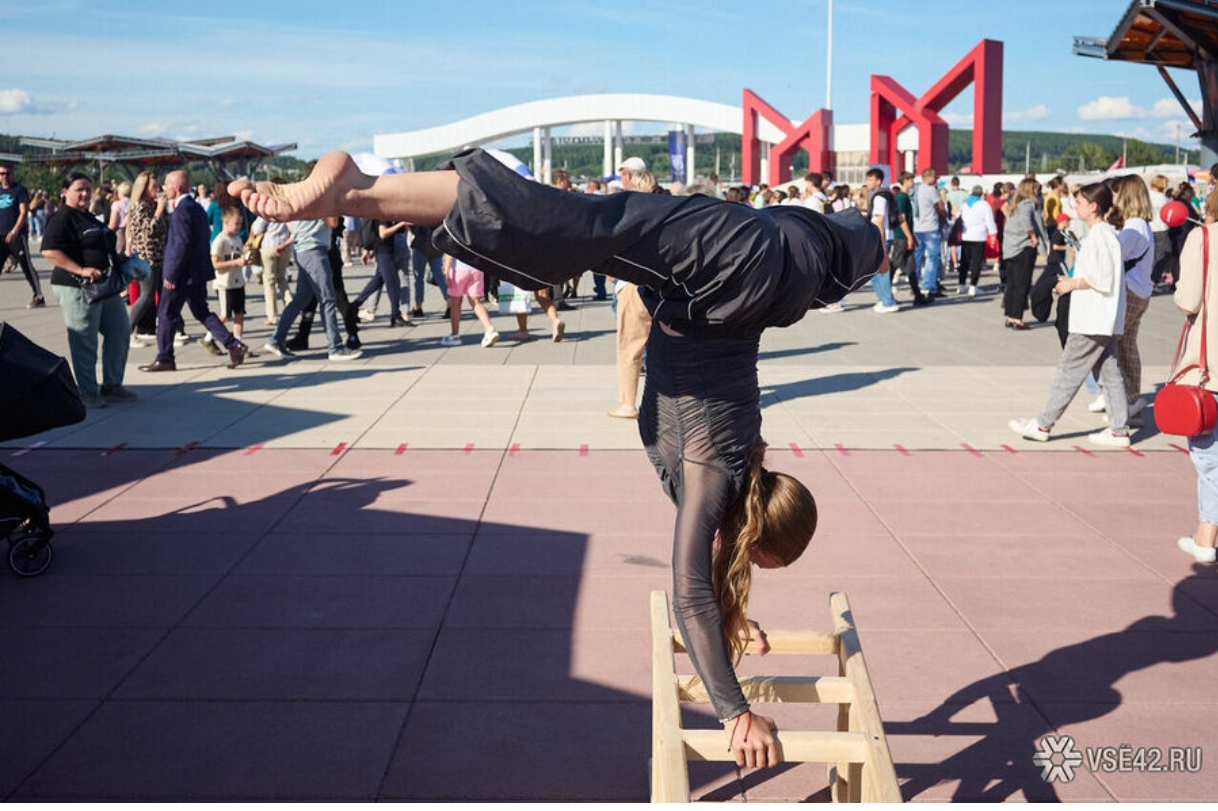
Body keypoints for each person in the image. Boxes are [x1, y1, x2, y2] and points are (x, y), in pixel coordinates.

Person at [230, 147, 885, 769]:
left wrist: (735, 624)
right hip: (736, 269)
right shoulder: (711, 473)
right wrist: (735, 712)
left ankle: (357, 192)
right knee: (574, 224)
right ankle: (355, 186)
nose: (737, 558)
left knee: (596, 231)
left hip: (782, 262)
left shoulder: (730, 469)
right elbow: (691, 590)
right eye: (755, 557)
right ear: (752, 531)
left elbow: (712, 575)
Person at [1010, 182, 1131, 447]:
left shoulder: (1100, 236)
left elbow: (1102, 278)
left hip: (1092, 319)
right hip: (1101, 318)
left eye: (1079, 202)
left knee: (1069, 372)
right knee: (1109, 374)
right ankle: (1119, 429)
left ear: (1094, 206)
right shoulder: (1103, 234)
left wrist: (1071, 284)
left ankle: (1043, 424)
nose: (1074, 206)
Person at [39, 171, 135, 408]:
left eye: (87, 189)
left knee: (120, 331)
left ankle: (112, 385)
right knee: (84, 340)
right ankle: (88, 392)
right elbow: (49, 250)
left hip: (104, 286)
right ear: (65, 192)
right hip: (76, 287)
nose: (84, 194)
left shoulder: (88, 216)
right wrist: (80, 269)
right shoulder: (62, 218)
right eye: (79, 190)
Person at [140, 169, 249, 372]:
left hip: (181, 274)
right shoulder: (197, 208)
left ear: (177, 187)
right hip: (196, 272)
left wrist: (171, 274)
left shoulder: (182, 211)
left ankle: (165, 357)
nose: (165, 189)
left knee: (166, 313)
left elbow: (180, 245)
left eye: (167, 185)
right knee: (202, 311)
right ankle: (233, 344)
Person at [1174, 190, 1218, 564]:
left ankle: (1206, 536)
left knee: (1209, 458)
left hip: (1211, 364)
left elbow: (1188, 300)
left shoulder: (1203, 237)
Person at [1110, 175, 1155, 419]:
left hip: (1129, 291)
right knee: (1127, 348)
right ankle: (1132, 406)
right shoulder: (1142, 225)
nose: (1113, 198)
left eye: (1116, 193)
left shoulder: (1132, 228)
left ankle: (1129, 398)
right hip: (1142, 291)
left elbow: (1112, 257)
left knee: (1108, 345)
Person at [125, 171, 169, 347]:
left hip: (156, 256)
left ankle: (141, 329)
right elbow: (148, 232)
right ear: (143, 188)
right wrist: (159, 211)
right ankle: (128, 331)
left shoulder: (149, 205)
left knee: (150, 296)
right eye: (154, 187)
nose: (157, 190)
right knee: (146, 296)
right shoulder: (140, 207)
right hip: (146, 257)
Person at [1001, 178, 1049, 329]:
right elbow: (1025, 220)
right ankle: (1017, 318)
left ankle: (1010, 316)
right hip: (1023, 248)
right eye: (1036, 189)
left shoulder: (1014, 204)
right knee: (1022, 284)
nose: (1038, 192)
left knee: (1012, 284)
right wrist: (1033, 236)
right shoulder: (1028, 204)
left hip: (1010, 248)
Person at [0, 163, 46, 308]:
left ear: (12, 174)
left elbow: (24, 212)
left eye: (7, 173)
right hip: (0, 237)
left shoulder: (19, 190)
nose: (5, 176)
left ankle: (38, 296)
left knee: (26, 266)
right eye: (2, 174)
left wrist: (14, 231)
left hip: (16, 236)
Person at [204, 208, 250, 352]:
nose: (238, 227)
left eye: (240, 224)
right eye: (236, 224)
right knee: (225, 316)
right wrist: (235, 263)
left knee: (239, 314)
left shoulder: (237, 239)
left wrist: (245, 260)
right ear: (226, 222)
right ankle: (208, 338)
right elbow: (215, 264)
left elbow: (239, 256)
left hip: (238, 282)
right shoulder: (219, 241)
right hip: (225, 284)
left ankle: (238, 343)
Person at [439, 254, 499, 347]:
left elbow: (450, 252)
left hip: (458, 269)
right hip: (476, 269)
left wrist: (446, 271)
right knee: (476, 302)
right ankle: (489, 328)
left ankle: (455, 335)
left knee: (455, 304)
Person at [912, 168, 946, 302]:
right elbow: (940, 206)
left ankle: (914, 284)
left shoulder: (915, 189)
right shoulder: (930, 190)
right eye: (935, 178)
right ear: (930, 177)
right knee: (932, 257)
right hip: (930, 227)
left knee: (917, 257)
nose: (936, 181)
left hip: (917, 227)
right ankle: (928, 285)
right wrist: (944, 217)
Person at [958, 185, 996, 297]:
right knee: (976, 262)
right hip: (979, 237)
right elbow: (989, 221)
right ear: (981, 194)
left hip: (965, 235)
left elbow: (958, 217)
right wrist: (993, 234)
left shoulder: (964, 204)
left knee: (964, 262)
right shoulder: (984, 205)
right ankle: (973, 286)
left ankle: (961, 284)